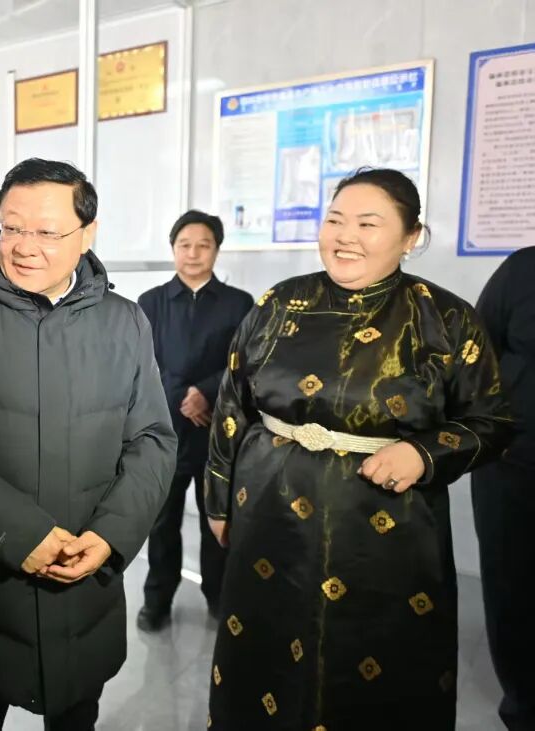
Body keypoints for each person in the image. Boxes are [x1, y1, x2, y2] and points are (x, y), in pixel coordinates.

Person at [203, 167, 514, 730]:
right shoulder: (280, 303)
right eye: (335, 220)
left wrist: (425, 454)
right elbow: (232, 404)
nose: (346, 237)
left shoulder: (445, 319)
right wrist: (219, 501)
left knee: (374, 666)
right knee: (265, 658)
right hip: (269, 515)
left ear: (411, 236)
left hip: (385, 532)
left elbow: (493, 420)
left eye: (368, 224)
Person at [0, 157, 177, 730]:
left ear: (87, 233)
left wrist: (110, 536)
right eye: (11, 227)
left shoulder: (125, 322)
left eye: (47, 232)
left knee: (76, 712)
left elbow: (152, 439)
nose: (24, 247)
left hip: (86, 572)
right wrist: (17, 533)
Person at [136, 210, 253, 631]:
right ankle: (157, 600)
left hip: (217, 432)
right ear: (173, 249)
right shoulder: (150, 302)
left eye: (203, 245)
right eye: (184, 244)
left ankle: (219, 597)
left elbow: (245, 362)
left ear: (217, 250)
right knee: (161, 523)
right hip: (164, 432)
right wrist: (183, 398)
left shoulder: (239, 303)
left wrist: (205, 391)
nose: (193, 253)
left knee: (216, 521)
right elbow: (143, 363)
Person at [472, 247, 535, 731]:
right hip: (512, 466)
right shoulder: (522, 270)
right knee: (512, 590)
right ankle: (524, 705)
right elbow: (478, 353)